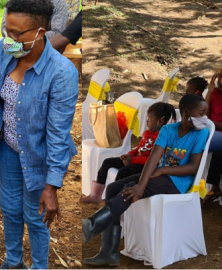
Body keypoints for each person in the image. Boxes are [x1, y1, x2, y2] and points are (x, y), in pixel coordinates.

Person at [0, 0, 77, 270]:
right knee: (10, 211)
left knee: (35, 217)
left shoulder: (61, 73)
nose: (8, 39)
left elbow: (58, 135)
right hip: (9, 148)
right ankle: (13, 263)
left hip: (41, 155)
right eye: (6, 30)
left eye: (16, 33)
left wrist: (52, 185)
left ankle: (38, 266)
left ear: (39, 32)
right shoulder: (6, 52)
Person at [82, 94, 211, 267]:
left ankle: (92, 224)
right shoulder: (168, 130)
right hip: (159, 175)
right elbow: (153, 157)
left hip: (178, 182)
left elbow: (194, 167)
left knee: (130, 188)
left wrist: (160, 172)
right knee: (113, 188)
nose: (204, 118)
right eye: (201, 113)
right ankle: (108, 253)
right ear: (187, 114)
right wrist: (142, 184)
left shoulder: (200, 134)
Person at [81, 102, 176, 204]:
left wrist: (133, 160)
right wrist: (129, 155)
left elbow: (154, 160)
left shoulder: (162, 137)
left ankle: (117, 200)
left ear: (160, 121)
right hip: (134, 160)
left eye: (150, 119)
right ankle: (95, 195)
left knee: (124, 171)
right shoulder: (148, 133)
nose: (147, 122)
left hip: (144, 166)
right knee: (107, 162)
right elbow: (139, 148)